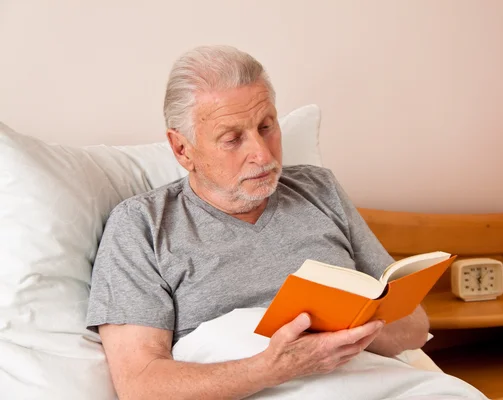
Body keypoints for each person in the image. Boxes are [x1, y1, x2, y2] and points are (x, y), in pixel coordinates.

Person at [86, 45, 482, 400]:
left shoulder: (318, 189)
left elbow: (413, 328)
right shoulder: (141, 225)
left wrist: (348, 333)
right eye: (232, 138)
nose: (262, 153)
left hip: (368, 379)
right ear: (181, 148)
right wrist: (273, 367)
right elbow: (140, 384)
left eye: (266, 126)